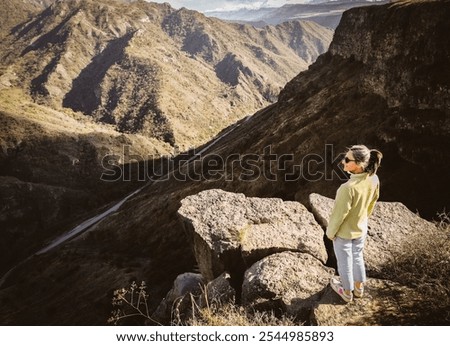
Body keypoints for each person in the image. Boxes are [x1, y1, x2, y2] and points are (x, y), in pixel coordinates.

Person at [326, 144, 383, 302]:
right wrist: (363, 218)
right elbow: (372, 202)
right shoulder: (374, 179)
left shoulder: (347, 188)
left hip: (344, 233)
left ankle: (346, 292)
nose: (342, 162)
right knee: (357, 257)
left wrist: (330, 233)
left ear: (359, 164)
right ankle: (359, 288)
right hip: (361, 228)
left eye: (346, 159)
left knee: (344, 263)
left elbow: (339, 215)